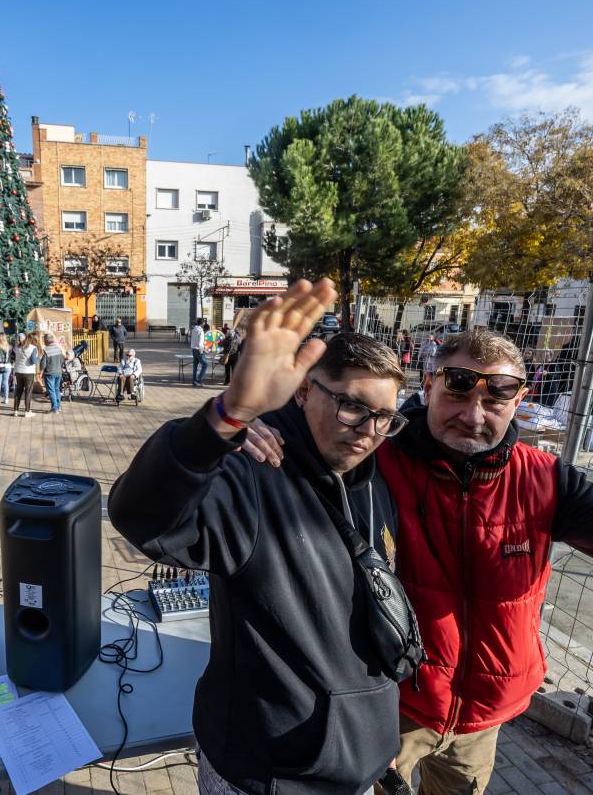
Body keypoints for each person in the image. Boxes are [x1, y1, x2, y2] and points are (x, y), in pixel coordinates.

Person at [241, 325, 593, 794]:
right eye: (458, 388)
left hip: (483, 719)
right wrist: (256, 428)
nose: (472, 415)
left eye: (497, 397)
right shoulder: (370, 457)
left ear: (522, 401)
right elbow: (292, 450)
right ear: (428, 381)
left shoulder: (547, 480)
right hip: (384, 707)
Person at [109, 279, 412, 795]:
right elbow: (142, 515)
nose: (367, 429)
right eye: (353, 407)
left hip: (359, 757)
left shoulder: (374, 475)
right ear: (303, 391)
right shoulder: (252, 471)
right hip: (270, 772)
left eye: (383, 417)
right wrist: (227, 418)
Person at [12, 332, 39, 417]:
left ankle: (15, 411)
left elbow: (13, 357)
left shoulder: (16, 348)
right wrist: (38, 358)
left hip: (18, 371)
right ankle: (27, 411)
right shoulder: (33, 348)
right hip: (28, 372)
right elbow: (34, 361)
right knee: (28, 392)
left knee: (18, 391)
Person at [41, 334, 65, 414]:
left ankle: (54, 408)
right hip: (58, 372)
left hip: (49, 373)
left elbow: (43, 364)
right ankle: (58, 406)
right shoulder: (58, 349)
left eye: (44, 340)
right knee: (57, 389)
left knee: (51, 390)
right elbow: (62, 360)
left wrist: (41, 370)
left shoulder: (46, 350)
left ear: (46, 341)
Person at [190, 317, 209, 387]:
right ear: (202, 323)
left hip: (194, 349)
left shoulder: (194, 330)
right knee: (205, 365)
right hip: (198, 350)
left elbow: (191, 340)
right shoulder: (201, 331)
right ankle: (199, 380)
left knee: (195, 366)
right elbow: (200, 343)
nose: (204, 324)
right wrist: (203, 351)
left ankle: (194, 380)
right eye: (204, 322)